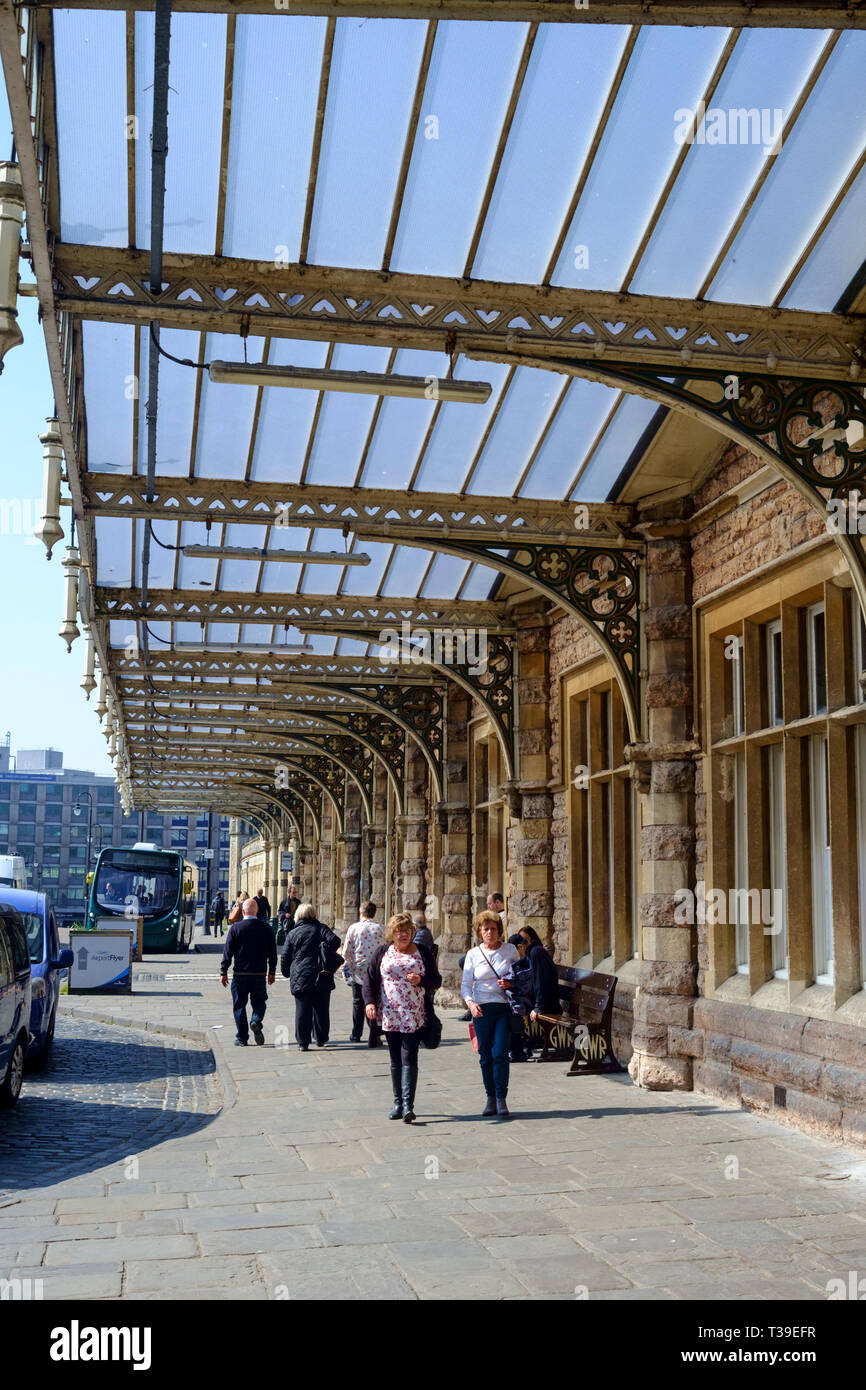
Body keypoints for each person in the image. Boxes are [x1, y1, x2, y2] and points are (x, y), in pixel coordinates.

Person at [364, 912, 441, 1123]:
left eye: (407, 931)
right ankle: (397, 1102)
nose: (404, 935)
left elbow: (436, 980)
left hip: (414, 1015)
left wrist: (421, 980)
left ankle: (408, 1105)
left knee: (409, 1056)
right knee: (395, 1058)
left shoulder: (422, 952)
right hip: (390, 1014)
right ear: (392, 933)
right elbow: (369, 978)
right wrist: (370, 1003)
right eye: (399, 931)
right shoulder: (382, 952)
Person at [462, 910, 520, 1119]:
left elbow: (521, 976)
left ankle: (502, 1097)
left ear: (499, 931)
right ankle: (490, 1097)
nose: (489, 932)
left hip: (503, 1007)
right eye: (485, 929)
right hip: (482, 1009)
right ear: (479, 932)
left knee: (500, 1054)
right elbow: (466, 983)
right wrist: (470, 1004)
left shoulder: (510, 950)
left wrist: (510, 983)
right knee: (485, 1055)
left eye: (493, 929)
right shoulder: (473, 954)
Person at [280, 902, 342, 1051]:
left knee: (302, 1009)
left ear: (298, 916)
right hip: (322, 974)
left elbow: (285, 956)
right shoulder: (321, 928)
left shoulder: (293, 933)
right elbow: (336, 941)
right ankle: (320, 1038)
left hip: (301, 975)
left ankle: (303, 1042)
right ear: (314, 914)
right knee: (321, 1009)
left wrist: (286, 972)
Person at [220, 897, 277, 1047]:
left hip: (240, 974)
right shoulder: (266, 929)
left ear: (243, 911)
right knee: (259, 1002)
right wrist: (272, 971)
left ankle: (242, 1037)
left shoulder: (236, 929)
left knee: (239, 1005)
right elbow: (273, 953)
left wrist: (223, 971)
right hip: (259, 974)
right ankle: (256, 1020)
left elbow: (228, 952)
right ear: (257, 911)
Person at [342, 901, 385, 1044]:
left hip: (358, 971)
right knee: (373, 1001)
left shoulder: (354, 928)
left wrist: (347, 966)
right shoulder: (380, 929)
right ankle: (375, 1033)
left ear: (361, 913)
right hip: (375, 970)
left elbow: (346, 951)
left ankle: (356, 1033)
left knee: (358, 1002)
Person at [517, 925, 561, 1022]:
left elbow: (541, 981)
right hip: (543, 1003)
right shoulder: (532, 953)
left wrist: (539, 1007)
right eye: (521, 940)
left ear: (532, 939)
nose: (522, 943)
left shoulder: (536, 952)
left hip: (548, 1006)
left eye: (525, 940)